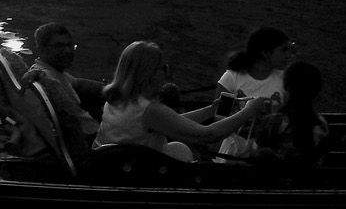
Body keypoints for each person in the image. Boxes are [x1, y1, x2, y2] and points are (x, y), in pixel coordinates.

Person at [95, 40, 268, 163]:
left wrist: (209, 110)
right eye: (164, 68)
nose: (166, 73)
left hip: (113, 167)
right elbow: (207, 135)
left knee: (179, 148)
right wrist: (248, 111)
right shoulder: (149, 110)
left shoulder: (117, 100)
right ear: (150, 72)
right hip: (143, 175)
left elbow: (169, 122)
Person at [22, 23, 103, 152]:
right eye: (59, 46)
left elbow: (77, 83)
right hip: (92, 145)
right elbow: (84, 126)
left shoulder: (50, 71)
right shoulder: (50, 80)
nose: (67, 51)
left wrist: (113, 88)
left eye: (70, 45)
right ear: (42, 49)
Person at [215, 26, 294, 157]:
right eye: (283, 50)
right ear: (265, 53)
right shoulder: (232, 78)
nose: (288, 55)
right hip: (233, 153)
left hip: (269, 155)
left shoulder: (286, 80)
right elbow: (219, 118)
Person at [251, 60, 330, 170]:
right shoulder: (321, 124)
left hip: (273, 184)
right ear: (317, 91)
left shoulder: (273, 122)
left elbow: (257, 154)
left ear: (286, 87)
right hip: (312, 184)